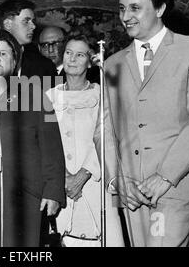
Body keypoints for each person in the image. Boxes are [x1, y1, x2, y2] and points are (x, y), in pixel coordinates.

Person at [104, 0, 189, 246]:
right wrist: (117, 180)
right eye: (122, 9)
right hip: (131, 193)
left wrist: (166, 177)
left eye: (135, 7)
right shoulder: (111, 65)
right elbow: (105, 130)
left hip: (174, 187)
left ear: (159, 8)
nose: (126, 16)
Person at [0, 28, 65, 246]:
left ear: (15, 61)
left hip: (23, 195)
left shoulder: (33, 93)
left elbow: (51, 145)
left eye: (3, 54)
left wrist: (53, 191)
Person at [46, 36, 124, 246]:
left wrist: (83, 174)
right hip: (60, 187)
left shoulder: (103, 94)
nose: (72, 59)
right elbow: (44, 142)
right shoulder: (48, 97)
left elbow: (108, 137)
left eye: (80, 55)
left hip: (93, 185)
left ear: (90, 61)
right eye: (68, 53)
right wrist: (62, 177)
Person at [0, 0, 57, 81]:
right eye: (26, 21)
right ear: (8, 24)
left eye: (33, 21)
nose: (33, 26)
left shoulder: (44, 66)